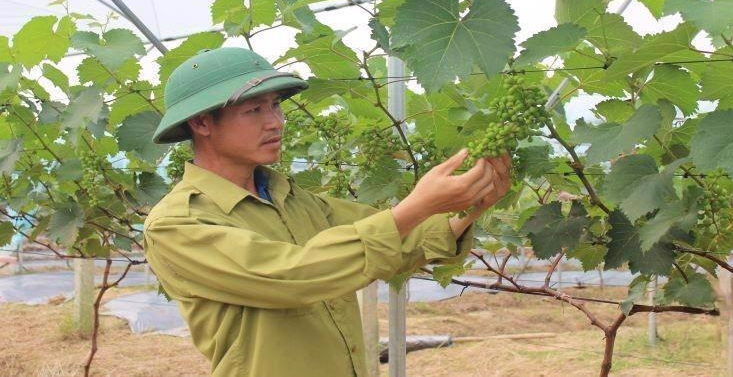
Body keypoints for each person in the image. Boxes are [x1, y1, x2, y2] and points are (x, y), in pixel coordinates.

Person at [143, 47, 511, 377]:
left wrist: (469, 208)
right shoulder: (177, 224)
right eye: (254, 109)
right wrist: (418, 205)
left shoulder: (293, 198)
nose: (275, 121)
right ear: (202, 123)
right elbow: (292, 276)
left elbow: (393, 241)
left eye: (275, 105)